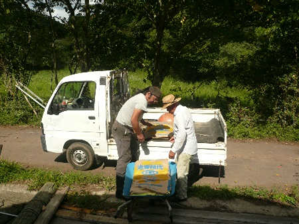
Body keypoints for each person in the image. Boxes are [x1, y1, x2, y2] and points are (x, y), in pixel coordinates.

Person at [112, 86, 162, 199]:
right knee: (125, 158)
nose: (156, 101)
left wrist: (145, 122)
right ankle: (120, 192)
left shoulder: (141, 99)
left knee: (135, 154)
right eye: (155, 98)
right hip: (122, 129)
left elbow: (137, 117)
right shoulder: (142, 101)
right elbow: (134, 120)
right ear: (149, 94)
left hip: (127, 128)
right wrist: (139, 134)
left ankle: (131, 183)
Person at [162, 94, 197, 201]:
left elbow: (182, 134)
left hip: (186, 148)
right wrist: (175, 137)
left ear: (174, 105)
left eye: (168, 107)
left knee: (181, 173)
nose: (168, 110)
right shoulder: (183, 110)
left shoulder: (179, 115)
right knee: (179, 171)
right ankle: (178, 193)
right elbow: (183, 131)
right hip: (186, 145)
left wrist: (173, 150)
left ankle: (181, 197)